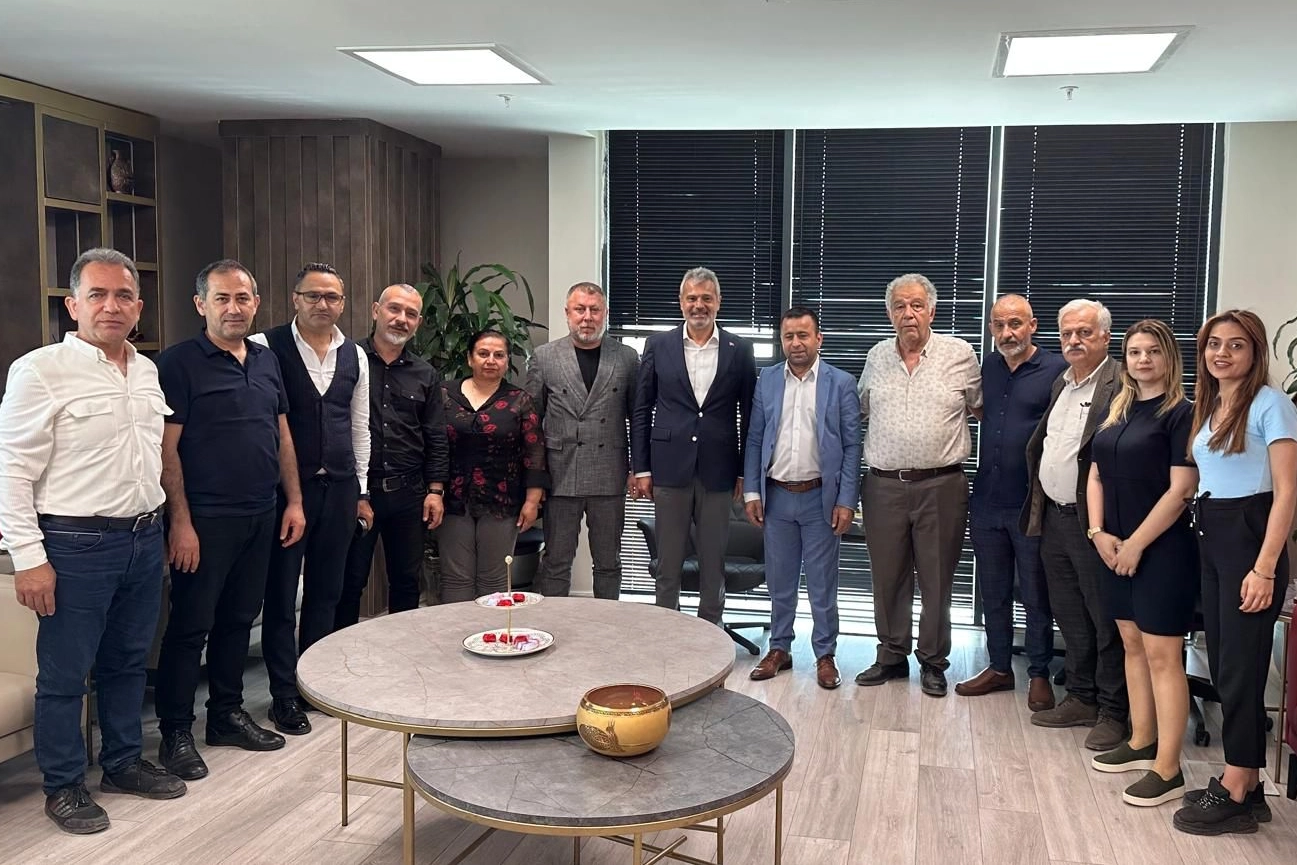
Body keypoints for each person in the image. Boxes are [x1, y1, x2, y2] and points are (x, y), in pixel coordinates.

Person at [0, 248, 185, 833]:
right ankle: (63, 785)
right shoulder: (39, 371)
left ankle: (123, 763)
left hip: (142, 537)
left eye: (123, 295)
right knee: (65, 675)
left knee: (128, 662)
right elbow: (11, 472)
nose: (111, 306)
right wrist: (28, 559)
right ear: (72, 305)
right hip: (74, 544)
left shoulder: (147, 370)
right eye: (97, 295)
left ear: (139, 307)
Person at [154, 259, 305, 781]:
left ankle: (225, 715)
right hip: (205, 520)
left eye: (242, 298)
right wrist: (181, 522)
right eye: (222, 298)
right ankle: (176, 732)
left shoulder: (266, 360)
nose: (233, 308)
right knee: (190, 627)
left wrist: (294, 501)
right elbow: (166, 450)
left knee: (239, 620)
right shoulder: (178, 364)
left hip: (261, 513)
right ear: (202, 305)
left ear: (256, 303)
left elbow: (281, 434)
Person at [1173, 309, 1297, 836]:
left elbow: (1287, 492)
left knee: (1241, 668)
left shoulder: (1272, 403)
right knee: (1226, 664)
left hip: (1250, 537)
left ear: (1255, 352)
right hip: (1213, 532)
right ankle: (1248, 782)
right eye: (1214, 344)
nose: (1221, 353)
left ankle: (1237, 789)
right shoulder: (1212, 403)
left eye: (1236, 345)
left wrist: (1265, 568)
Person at [250, 262, 370, 737]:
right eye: (313, 295)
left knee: (327, 591)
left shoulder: (354, 354)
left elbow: (359, 426)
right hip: (285, 494)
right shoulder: (264, 347)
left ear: (343, 303)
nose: (323, 304)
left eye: (332, 297)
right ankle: (283, 694)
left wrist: (361, 490)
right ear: (295, 299)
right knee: (282, 595)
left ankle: (313, 685)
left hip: (339, 488)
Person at [1085, 319, 1198, 807]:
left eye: (1153, 351)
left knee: (1162, 656)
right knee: (1131, 644)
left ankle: (1168, 769)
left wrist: (1134, 545)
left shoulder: (1182, 414)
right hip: (1112, 547)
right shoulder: (1118, 408)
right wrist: (1098, 534)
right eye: (1134, 352)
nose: (1143, 360)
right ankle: (1141, 740)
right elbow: (1095, 474)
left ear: (1169, 357)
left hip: (1162, 551)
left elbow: (1181, 490)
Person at [853, 273, 982, 698]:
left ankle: (933, 661)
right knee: (887, 577)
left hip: (941, 485)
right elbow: (858, 413)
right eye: (899, 307)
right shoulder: (876, 356)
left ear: (932, 310)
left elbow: (984, 410)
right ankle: (892, 655)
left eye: (916, 305)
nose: (908, 314)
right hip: (884, 486)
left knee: (936, 579)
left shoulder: (959, 354)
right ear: (889, 314)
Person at [1022, 299, 1128, 751]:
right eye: (1067, 333)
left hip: (1095, 523)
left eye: (1084, 332)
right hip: (1055, 517)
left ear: (1105, 336)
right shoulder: (1062, 384)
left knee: (1105, 620)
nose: (1074, 341)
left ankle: (1114, 711)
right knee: (1070, 615)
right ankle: (1081, 696)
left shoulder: (1122, 383)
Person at [957, 294, 1067, 711]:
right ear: (991, 329)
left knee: (1036, 595)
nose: (1008, 332)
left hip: (1032, 504)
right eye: (999, 325)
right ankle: (1000, 667)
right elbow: (979, 412)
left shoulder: (1057, 369)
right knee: (994, 592)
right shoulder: (988, 366)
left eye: (1016, 323)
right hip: (987, 500)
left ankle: (1038, 674)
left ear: (1033, 325)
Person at [631, 267, 757, 624]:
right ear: (681, 301)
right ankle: (668, 632)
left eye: (706, 298)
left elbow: (750, 415)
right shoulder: (658, 345)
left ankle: (711, 632)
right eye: (692, 298)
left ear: (718, 302)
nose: (698, 305)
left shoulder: (739, 349)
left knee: (713, 562)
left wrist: (745, 472)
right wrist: (641, 468)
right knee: (668, 562)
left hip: (719, 470)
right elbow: (642, 408)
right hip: (669, 468)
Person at [743, 308, 861, 690]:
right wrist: (752, 490)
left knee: (822, 584)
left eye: (803, 335)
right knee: (780, 581)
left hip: (819, 499)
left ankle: (825, 654)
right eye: (789, 336)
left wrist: (847, 500)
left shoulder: (840, 383)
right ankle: (779, 648)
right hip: (776, 496)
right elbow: (755, 438)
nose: (795, 343)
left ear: (818, 339)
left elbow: (852, 445)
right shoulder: (767, 380)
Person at [336, 284, 448, 628]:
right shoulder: (346, 359)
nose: (401, 319)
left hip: (408, 494)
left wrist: (435, 490)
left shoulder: (425, 374)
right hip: (357, 492)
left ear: (418, 323)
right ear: (376, 310)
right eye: (394, 309)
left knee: (406, 582)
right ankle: (339, 654)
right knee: (349, 582)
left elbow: (435, 435)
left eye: (411, 314)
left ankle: (403, 651)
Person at [526, 281, 639, 599]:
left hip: (609, 472)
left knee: (608, 562)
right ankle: (553, 621)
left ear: (605, 313)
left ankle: (606, 623)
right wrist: (535, 477)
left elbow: (638, 418)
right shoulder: (545, 357)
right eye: (580, 309)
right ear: (568, 313)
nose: (587, 317)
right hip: (560, 473)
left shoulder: (627, 357)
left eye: (594, 310)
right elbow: (531, 424)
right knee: (556, 562)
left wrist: (637, 467)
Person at [438, 330, 548, 600]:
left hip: (501, 501)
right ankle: (458, 627)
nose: (491, 360)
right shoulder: (444, 395)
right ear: (469, 358)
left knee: (494, 579)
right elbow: (432, 445)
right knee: (455, 578)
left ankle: (491, 628)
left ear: (507, 361)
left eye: (499, 355)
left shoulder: (519, 400)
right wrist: (433, 490)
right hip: (452, 499)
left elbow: (534, 451)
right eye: (483, 354)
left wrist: (532, 501)